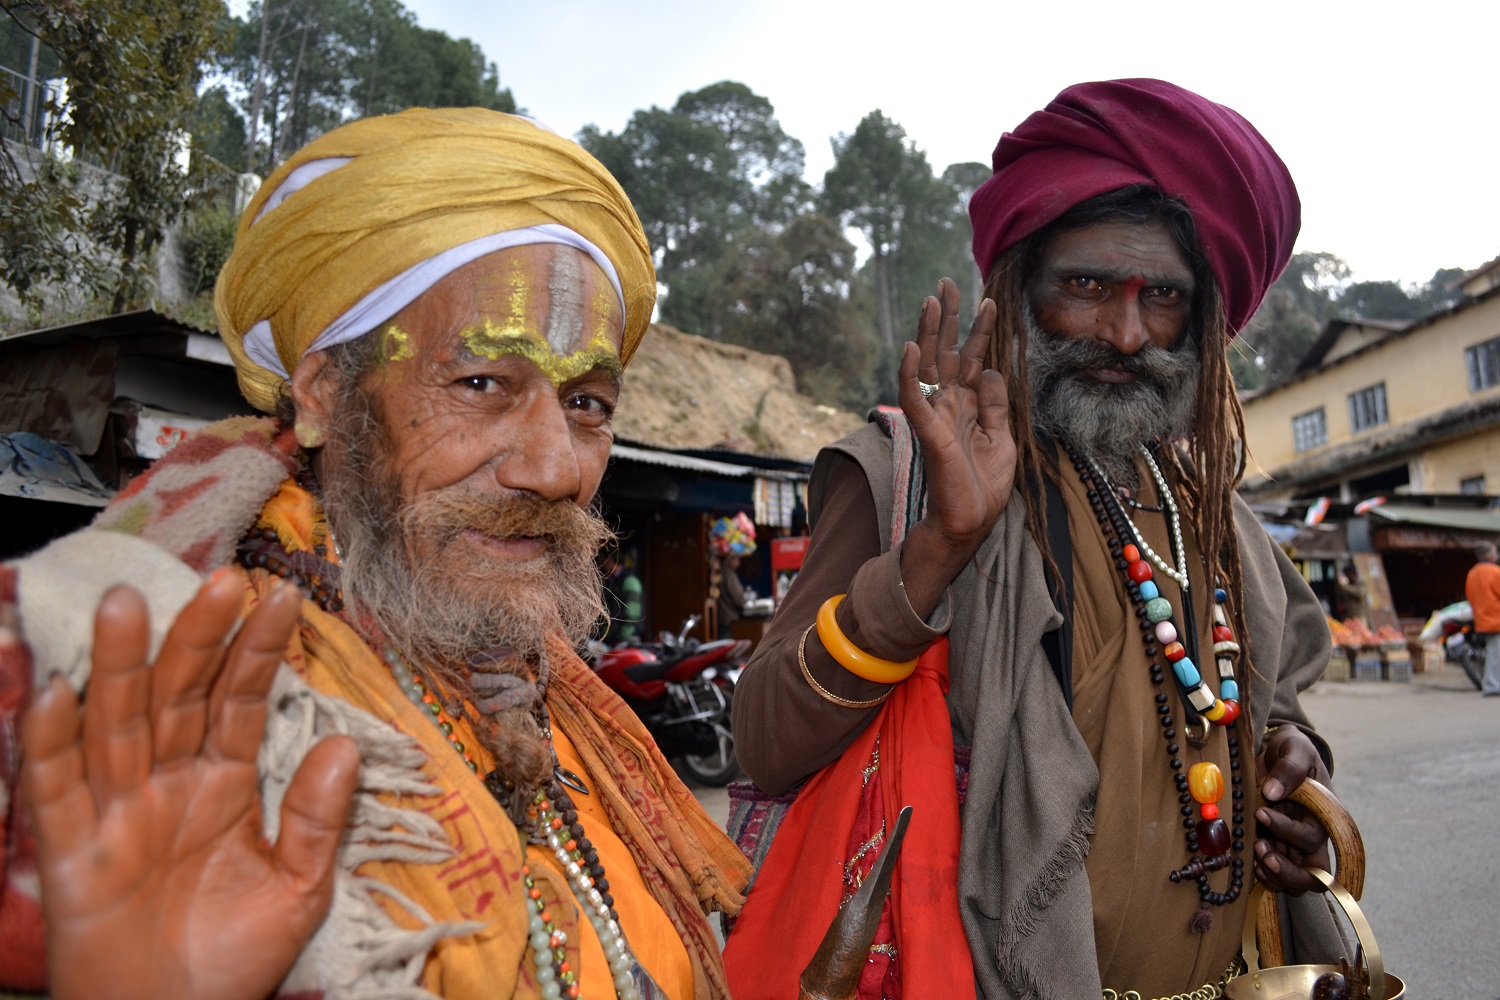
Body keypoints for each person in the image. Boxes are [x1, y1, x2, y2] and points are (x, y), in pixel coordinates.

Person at [1, 108, 749, 1000]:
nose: (555, 468)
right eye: (481, 383)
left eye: (587, 403)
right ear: (323, 395)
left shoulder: (555, 694)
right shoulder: (183, 682)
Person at [728, 79, 1347, 1000]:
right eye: (1086, 286)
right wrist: (937, 548)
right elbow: (765, 741)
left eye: (1162, 297)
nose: (1125, 332)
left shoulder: (1212, 510)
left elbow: (1269, 695)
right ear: (1019, 290)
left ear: (1204, 316)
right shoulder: (907, 477)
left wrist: (1295, 759)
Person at [1464, 542, 1500, 696]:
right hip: (1496, 618)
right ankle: (1492, 686)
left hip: (1481, 619)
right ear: (1491, 555)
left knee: (1494, 652)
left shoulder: (1472, 573)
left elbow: (1469, 596)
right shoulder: (1495, 572)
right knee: (1495, 653)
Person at [601, 548, 645, 644]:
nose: (602, 564)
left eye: (603, 560)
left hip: (625, 641)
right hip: (611, 640)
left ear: (610, 560)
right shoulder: (612, 582)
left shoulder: (630, 582)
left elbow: (632, 615)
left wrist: (622, 638)